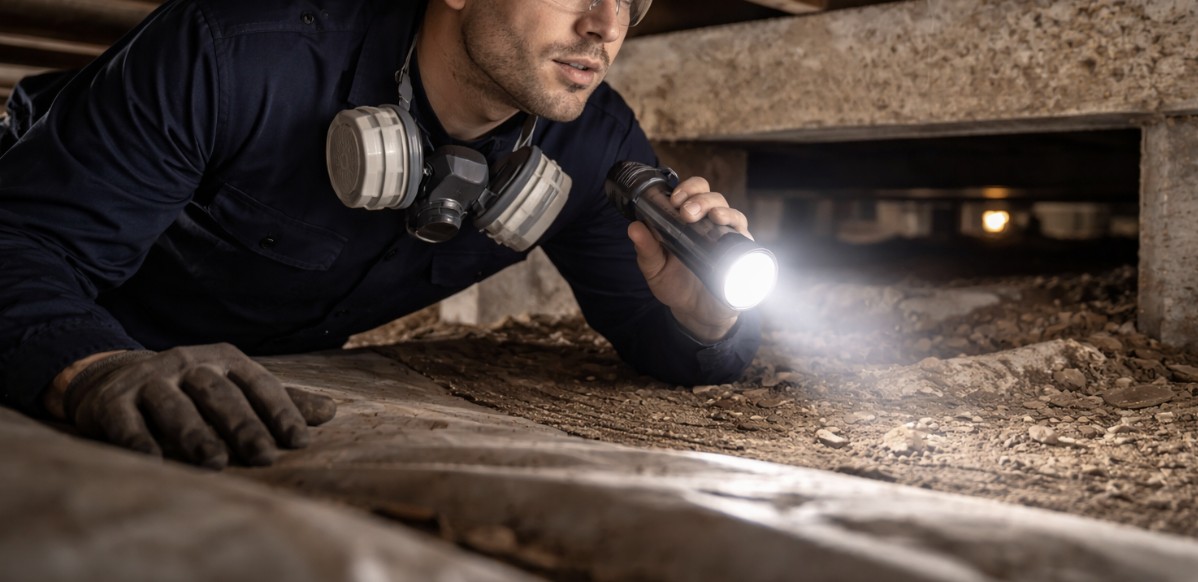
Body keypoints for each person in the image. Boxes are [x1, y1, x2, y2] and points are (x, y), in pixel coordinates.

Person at [0, 0, 761, 469]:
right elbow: (23, 243)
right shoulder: (237, 53)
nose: (607, 25)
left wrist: (704, 319)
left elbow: (653, 336)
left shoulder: (591, 145)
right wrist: (92, 367)